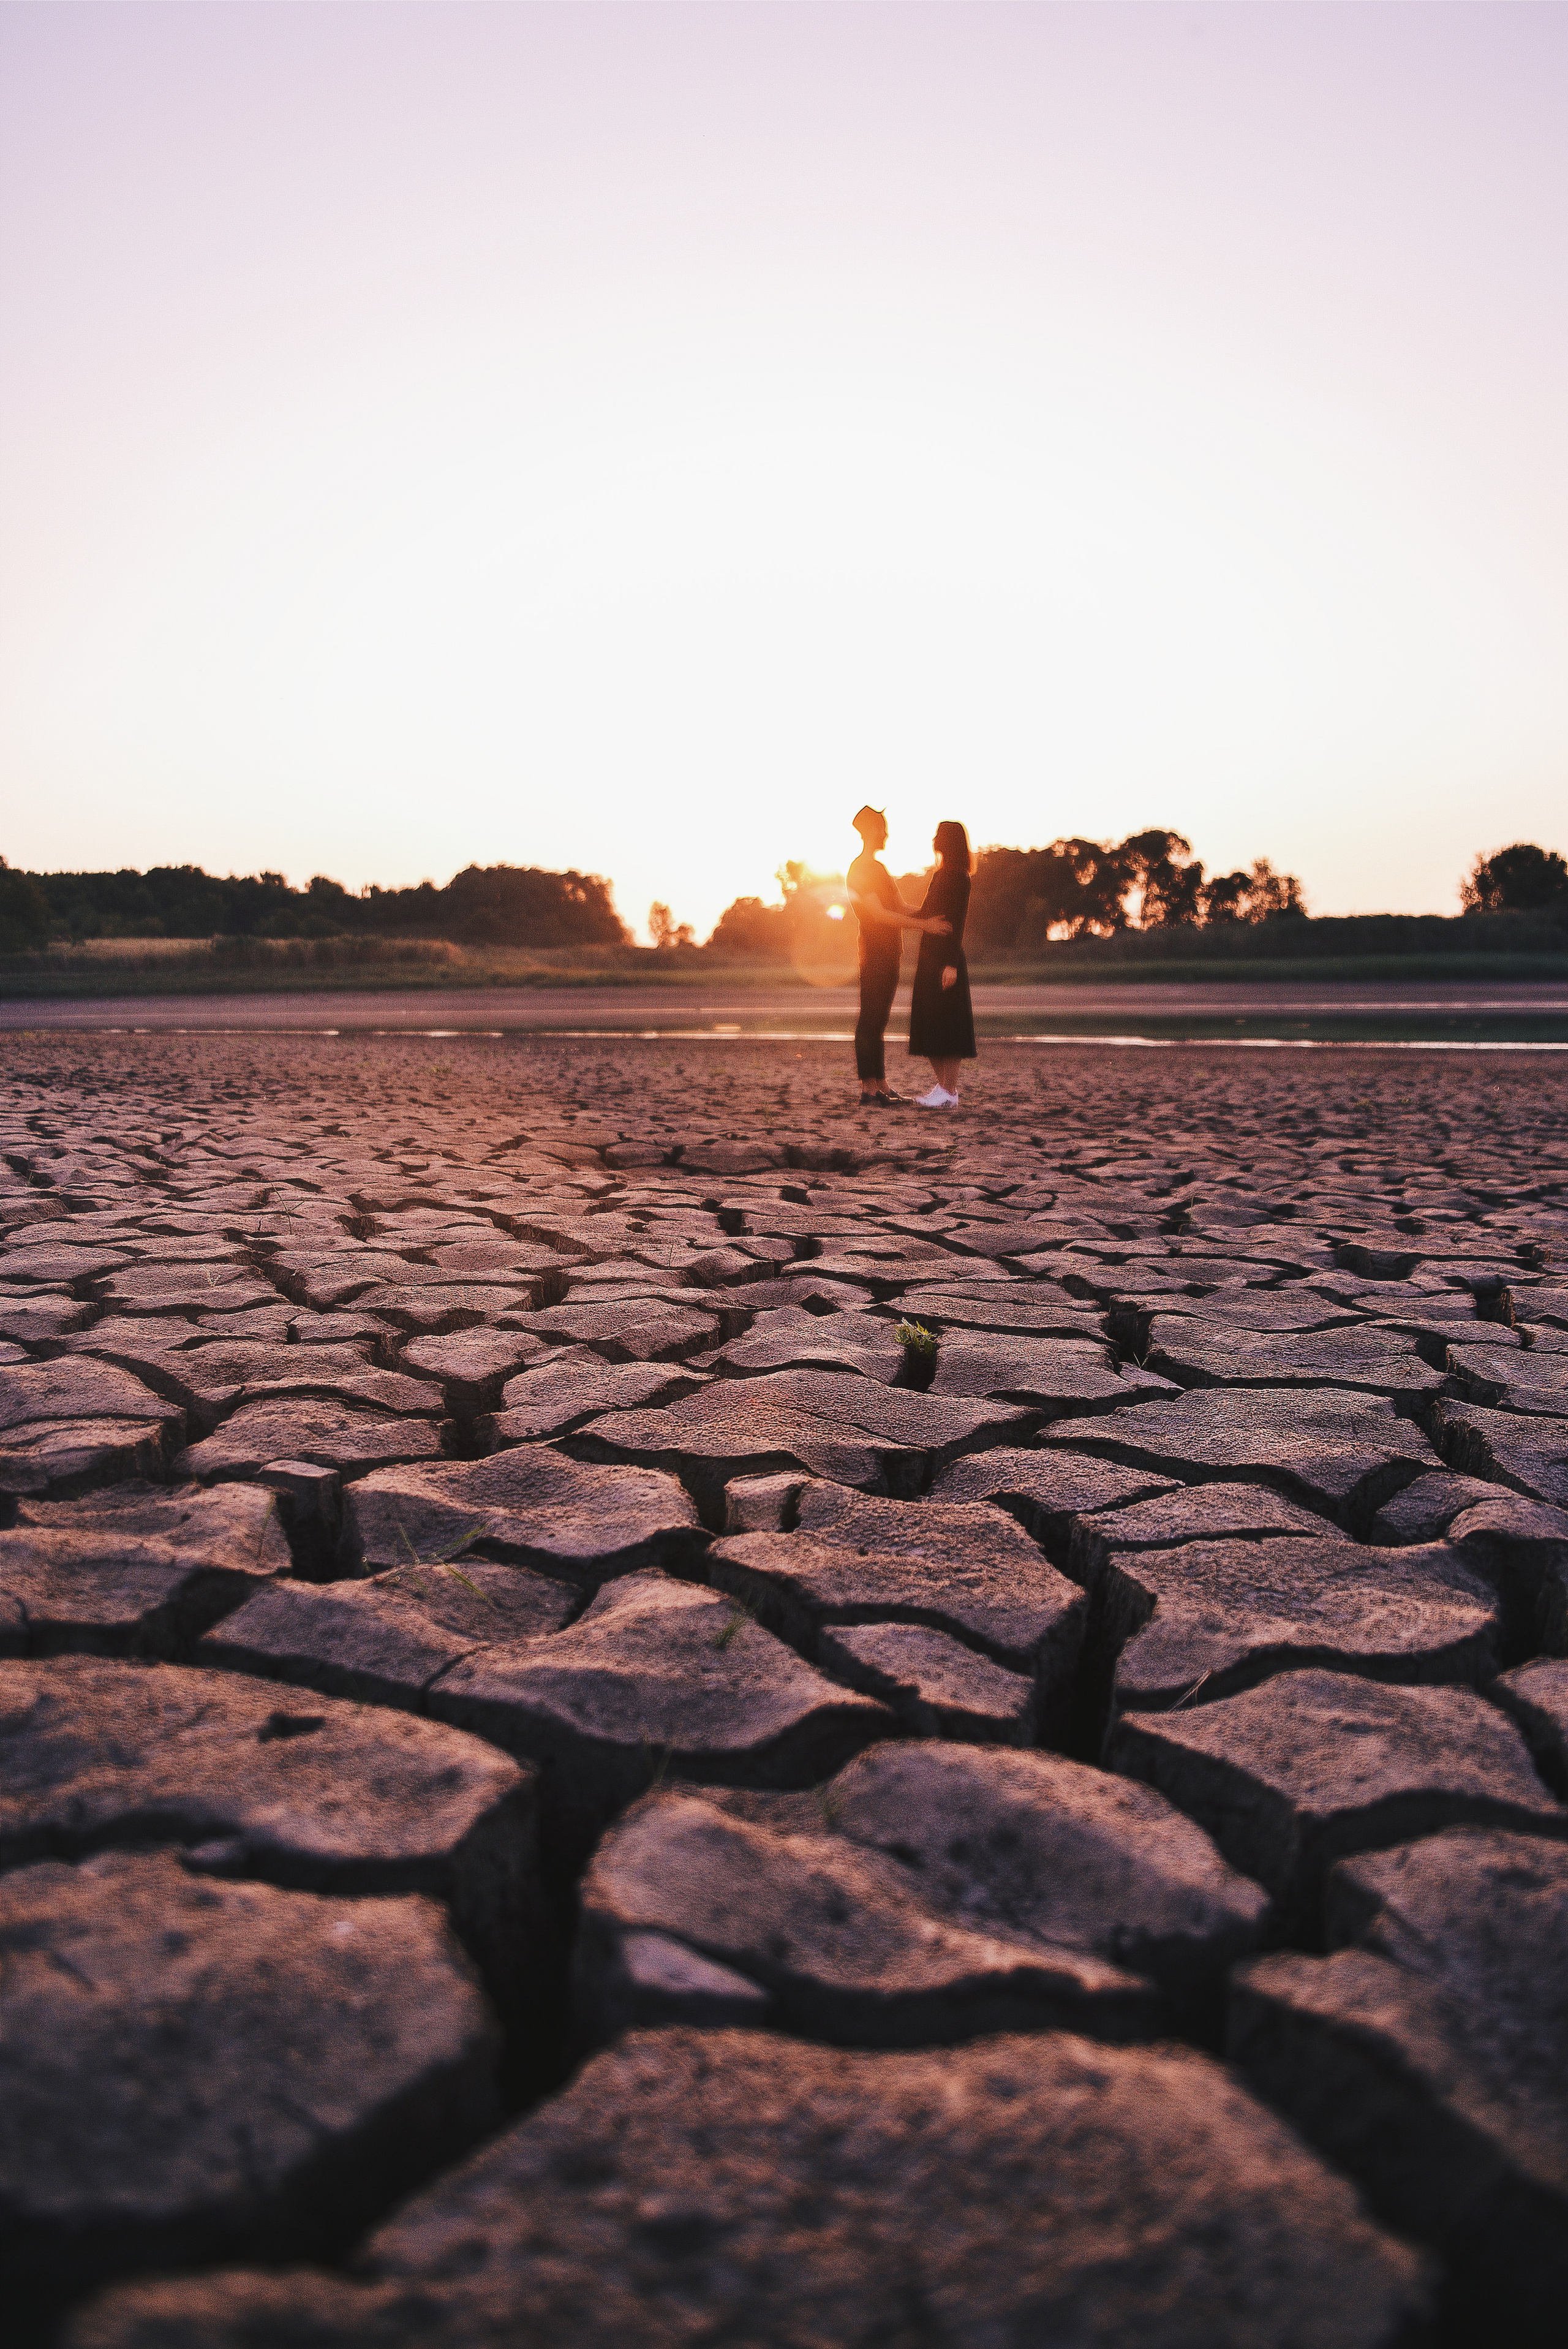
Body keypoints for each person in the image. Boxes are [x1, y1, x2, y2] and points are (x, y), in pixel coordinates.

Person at [846, 806, 948, 1106]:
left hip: (889, 952)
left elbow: (900, 907)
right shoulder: (861, 869)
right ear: (871, 832)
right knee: (870, 1019)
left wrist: (931, 915)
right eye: (884, 828)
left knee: (879, 1019)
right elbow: (879, 915)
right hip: (874, 953)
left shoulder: (877, 869)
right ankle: (869, 1088)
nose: (887, 834)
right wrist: (923, 925)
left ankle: (881, 1085)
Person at [908, 820, 976, 1107]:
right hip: (928, 956)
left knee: (949, 1026)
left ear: (950, 841)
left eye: (940, 834)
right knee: (929, 1026)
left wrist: (951, 964)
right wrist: (890, 912)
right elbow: (926, 913)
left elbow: (958, 923)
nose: (934, 838)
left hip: (946, 958)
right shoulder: (939, 875)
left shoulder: (960, 877)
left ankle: (948, 1091)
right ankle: (946, 1091)